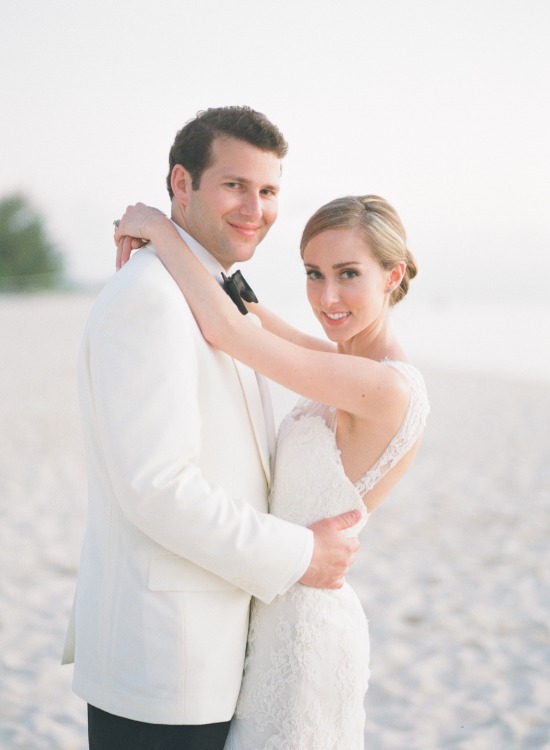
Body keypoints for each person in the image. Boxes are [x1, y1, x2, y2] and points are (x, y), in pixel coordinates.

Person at [62, 106, 362, 750]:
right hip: (166, 658)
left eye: (269, 190)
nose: (255, 207)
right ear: (182, 184)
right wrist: (303, 554)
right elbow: (158, 487)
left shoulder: (208, 291)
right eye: (234, 185)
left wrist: (151, 226)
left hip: (218, 653)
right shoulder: (150, 297)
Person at [114, 193, 430, 748]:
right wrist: (192, 246)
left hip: (307, 635)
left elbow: (232, 334)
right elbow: (251, 317)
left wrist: (157, 228)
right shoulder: (352, 363)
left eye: (348, 274)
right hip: (276, 610)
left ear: (392, 275)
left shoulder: (384, 386)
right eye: (314, 273)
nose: (326, 297)